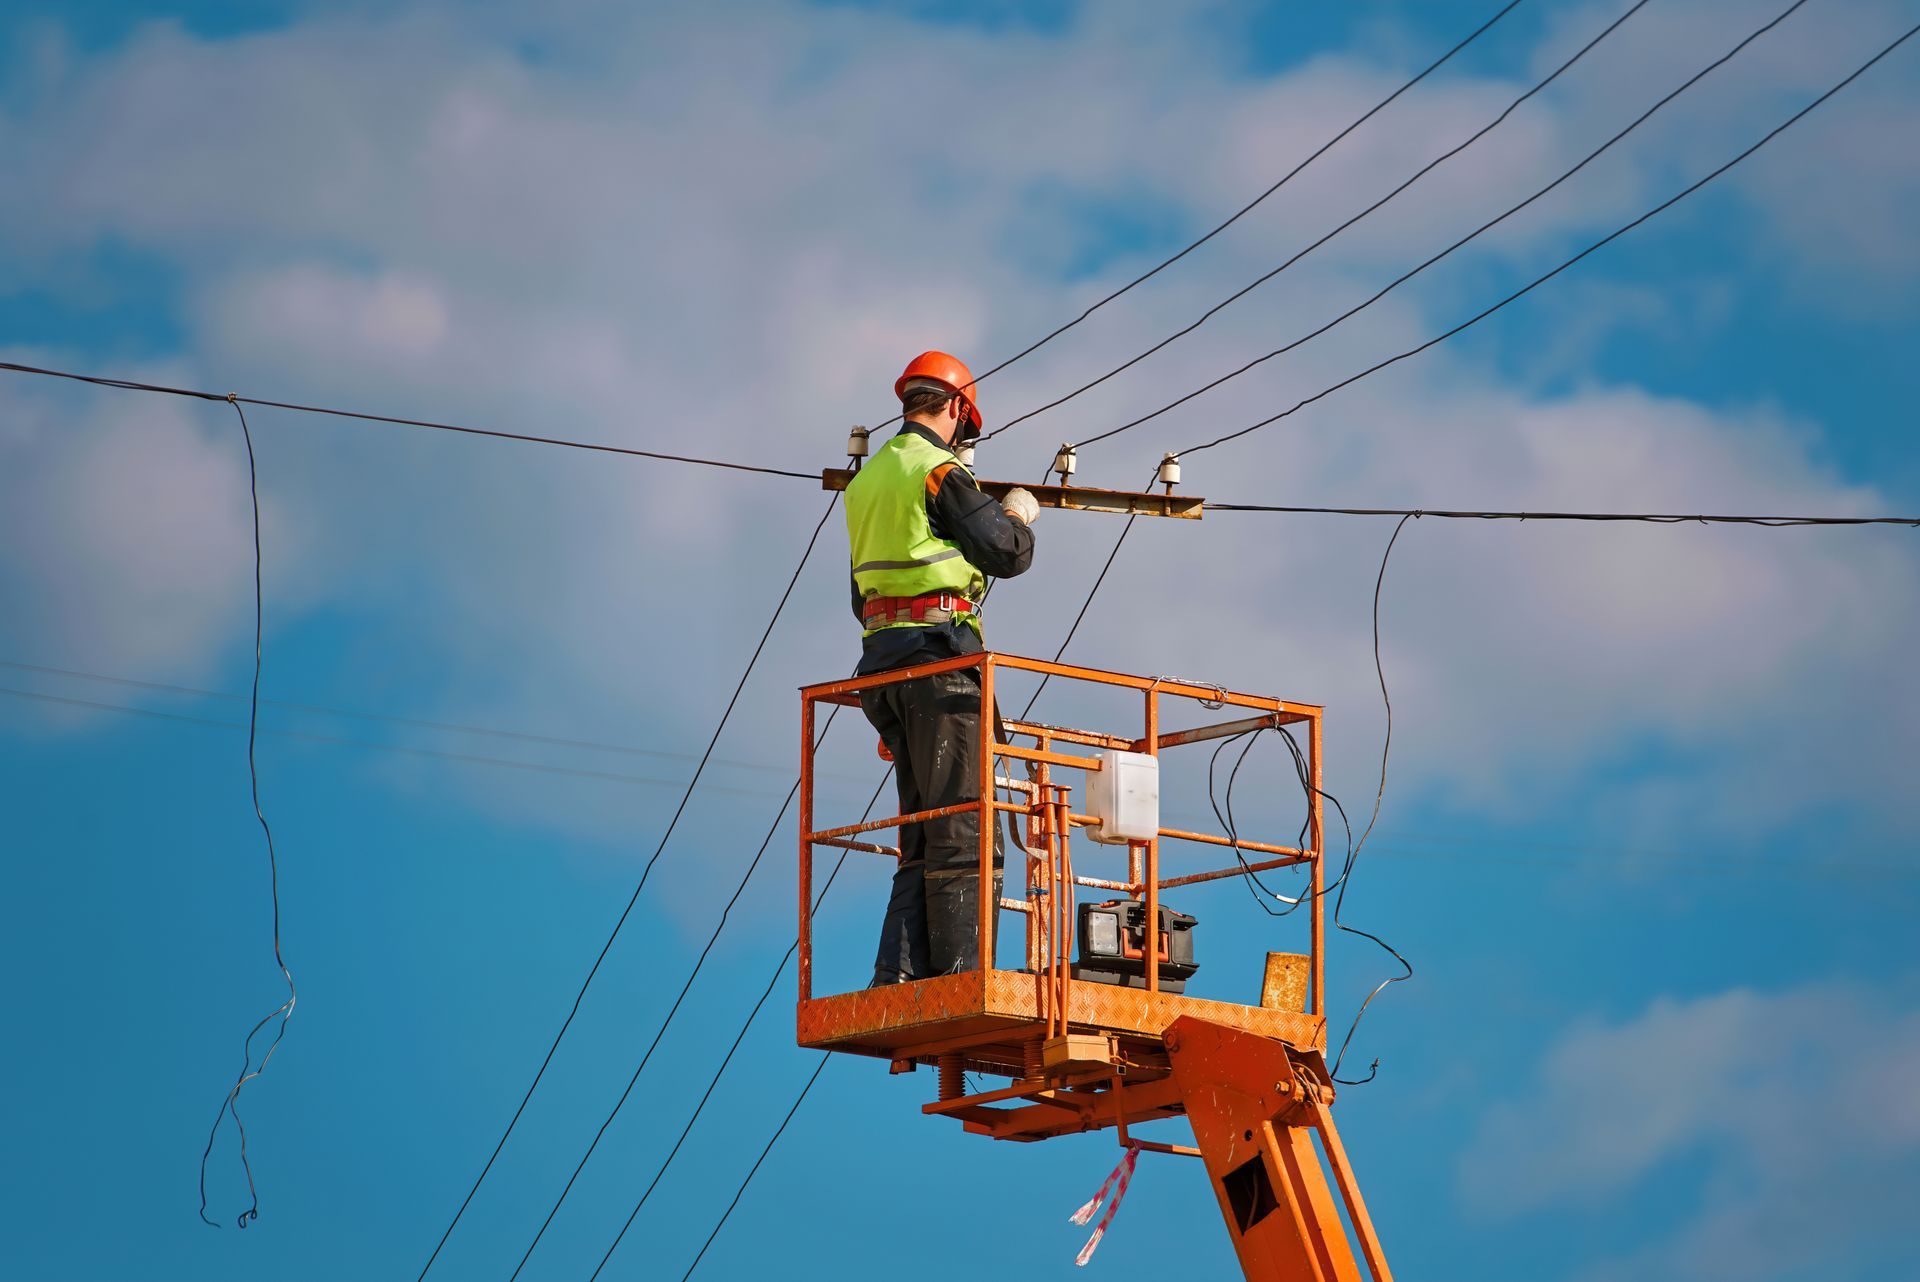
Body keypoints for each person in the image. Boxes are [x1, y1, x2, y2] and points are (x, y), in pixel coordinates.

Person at [846, 351, 1039, 985]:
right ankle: (961, 981)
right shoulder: (937, 471)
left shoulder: (869, 481)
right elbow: (1005, 553)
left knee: (922, 831)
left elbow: (861, 592)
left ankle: (899, 975)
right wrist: (1015, 515)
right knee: (964, 825)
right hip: (938, 666)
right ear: (957, 408)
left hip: (884, 666)